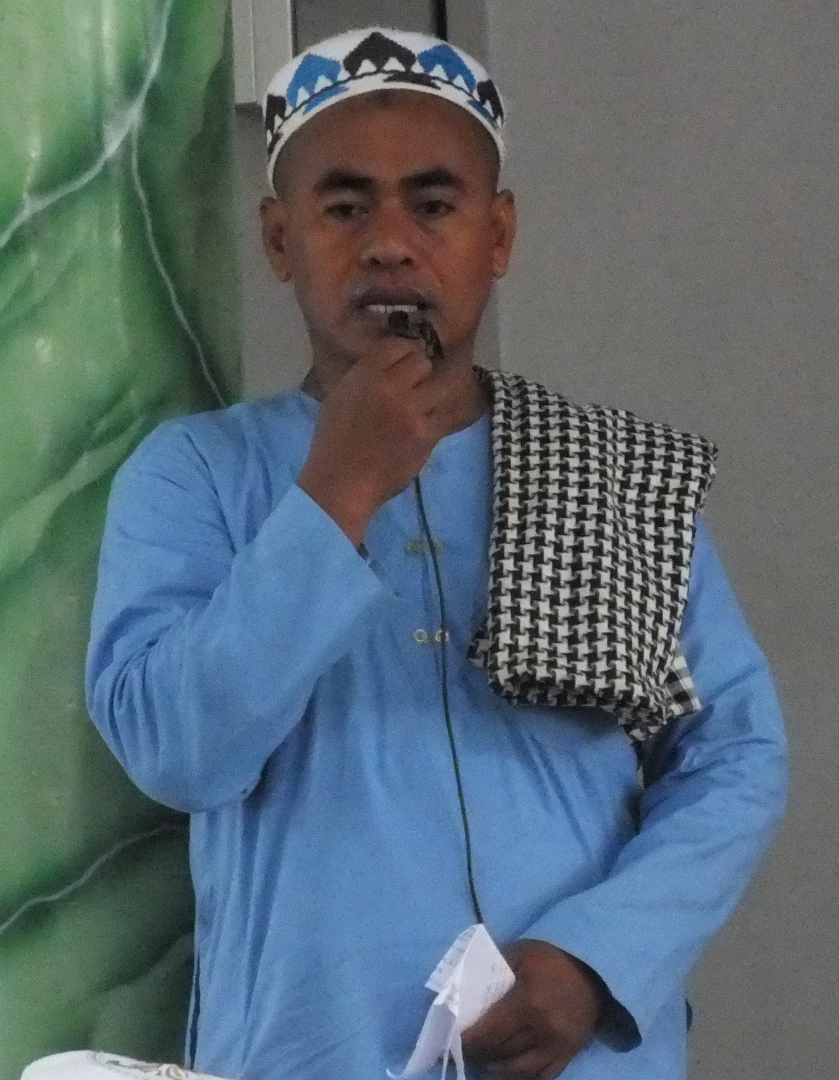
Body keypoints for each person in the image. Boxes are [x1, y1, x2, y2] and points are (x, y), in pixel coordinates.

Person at [87, 27, 786, 1080]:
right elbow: (178, 751)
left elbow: (735, 756)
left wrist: (597, 959)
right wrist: (336, 493)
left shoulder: (608, 472)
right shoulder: (195, 475)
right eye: (344, 207)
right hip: (310, 1052)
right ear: (279, 240)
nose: (389, 243)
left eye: (434, 205)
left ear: (497, 236)